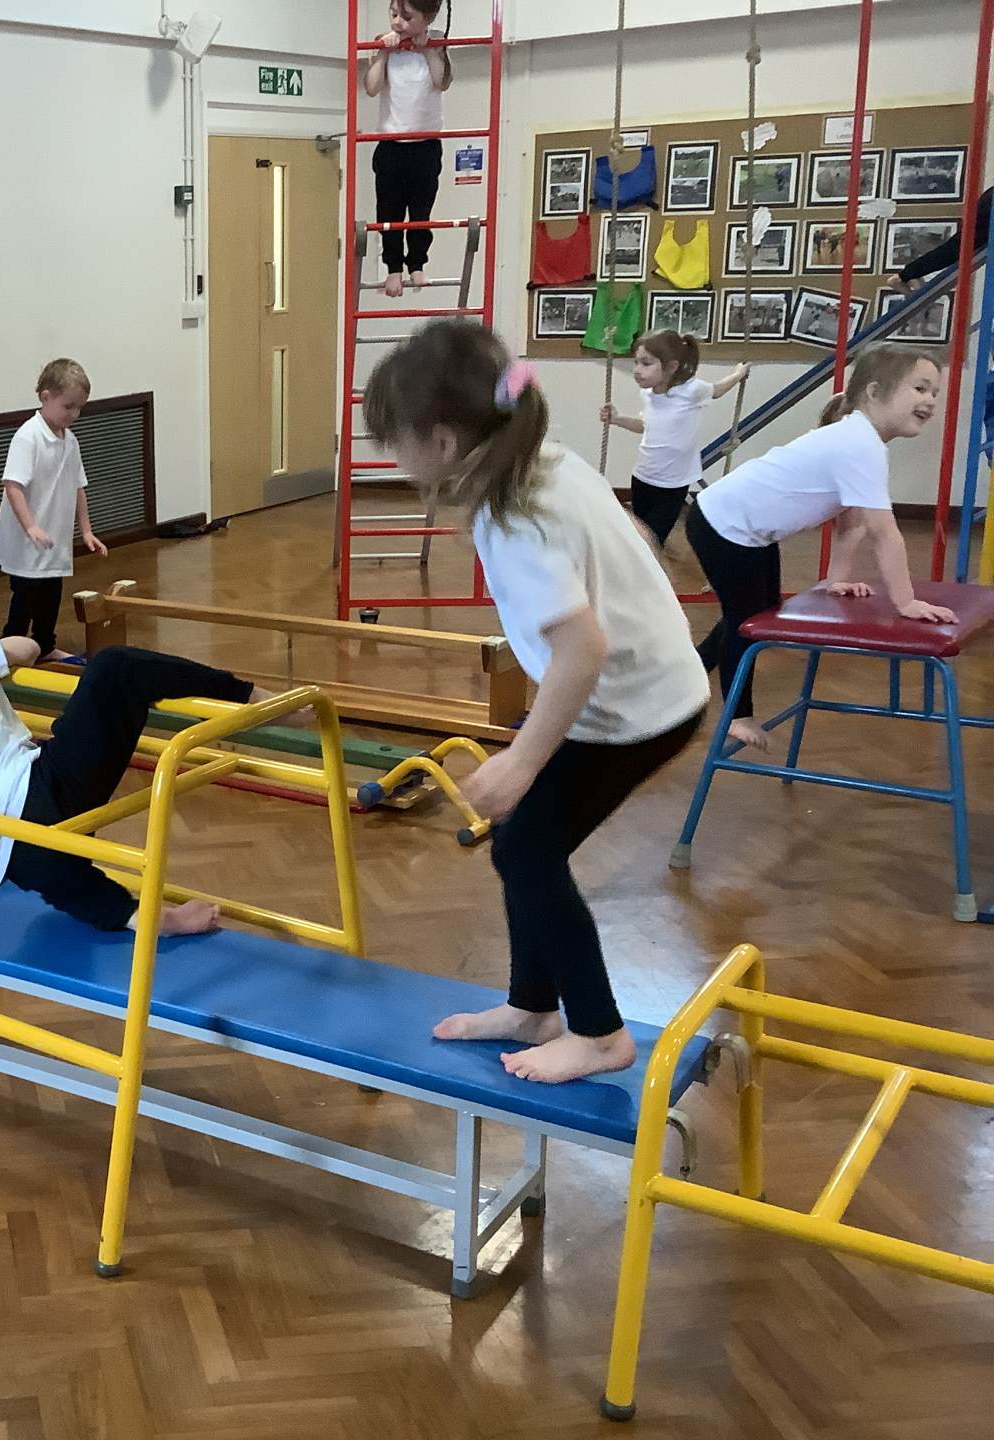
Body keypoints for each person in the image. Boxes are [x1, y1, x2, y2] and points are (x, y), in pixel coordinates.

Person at [368, 321, 710, 1085]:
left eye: (396, 443)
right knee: (523, 841)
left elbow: (582, 650)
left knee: (526, 847)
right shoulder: (543, 460)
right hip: (648, 688)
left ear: (443, 443)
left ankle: (598, 1032)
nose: (394, 459)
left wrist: (523, 759)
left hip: (634, 709)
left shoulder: (512, 516)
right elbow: (626, 549)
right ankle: (532, 1008)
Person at [0, 608, 305, 937]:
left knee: (83, 892)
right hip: (54, 792)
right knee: (115, 668)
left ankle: (153, 919)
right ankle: (250, 698)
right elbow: (25, 648)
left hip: (14, 855)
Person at [686, 346, 956, 753]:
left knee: (757, 612)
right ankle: (737, 717)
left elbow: (851, 520)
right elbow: (884, 533)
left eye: (934, 392)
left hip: (745, 528)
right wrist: (906, 602)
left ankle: (689, 674)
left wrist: (836, 579)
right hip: (723, 524)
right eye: (920, 388)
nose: (931, 400)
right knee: (746, 620)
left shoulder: (860, 441)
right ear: (874, 392)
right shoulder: (859, 444)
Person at [0, 358, 108, 662]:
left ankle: (44, 645)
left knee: (51, 593)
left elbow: (78, 486)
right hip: (27, 541)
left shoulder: (70, 441)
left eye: (79, 408)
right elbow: (13, 486)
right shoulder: (28, 436)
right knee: (25, 597)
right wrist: (30, 526)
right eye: (68, 406)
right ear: (45, 397)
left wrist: (86, 530)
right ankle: (6, 652)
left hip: (53, 537)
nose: (74, 414)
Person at [598, 331, 751, 546]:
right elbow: (645, 425)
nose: (637, 370)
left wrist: (738, 374)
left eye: (646, 363)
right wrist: (617, 419)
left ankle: (651, 564)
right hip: (643, 477)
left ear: (671, 367)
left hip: (672, 484)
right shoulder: (648, 394)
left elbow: (718, 390)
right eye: (636, 362)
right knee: (640, 533)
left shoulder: (691, 390)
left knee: (654, 538)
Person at [363, 0, 454, 298]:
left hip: (426, 145)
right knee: (389, 211)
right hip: (392, 145)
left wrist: (428, 50)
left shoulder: (437, 42)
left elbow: (442, 82)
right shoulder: (384, 42)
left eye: (407, 16)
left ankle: (416, 264)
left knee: (420, 211)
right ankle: (393, 269)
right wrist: (382, 53)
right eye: (393, 14)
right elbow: (371, 88)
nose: (397, 22)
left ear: (428, 17)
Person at [884, 186, 991, 291]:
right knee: (955, 249)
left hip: (987, 208)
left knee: (955, 248)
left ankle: (906, 275)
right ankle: (905, 275)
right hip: (987, 209)